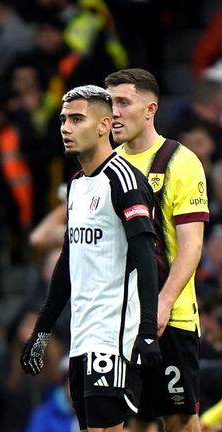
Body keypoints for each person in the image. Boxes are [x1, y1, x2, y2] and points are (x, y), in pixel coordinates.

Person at [21, 85, 162, 432]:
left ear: (103, 125)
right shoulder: (77, 185)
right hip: (82, 335)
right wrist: (42, 331)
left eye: (76, 119)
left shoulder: (124, 180)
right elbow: (69, 262)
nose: (65, 128)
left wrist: (147, 331)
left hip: (113, 334)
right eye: (63, 120)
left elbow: (147, 256)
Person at [105, 68, 210, 432]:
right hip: (114, 321)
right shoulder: (105, 167)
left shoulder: (181, 162)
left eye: (123, 102)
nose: (113, 112)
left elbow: (191, 246)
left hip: (171, 317)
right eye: (109, 103)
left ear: (150, 109)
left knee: (179, 421)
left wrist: (161, 304)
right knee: (117, 422)